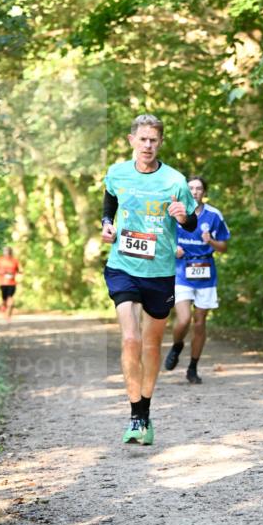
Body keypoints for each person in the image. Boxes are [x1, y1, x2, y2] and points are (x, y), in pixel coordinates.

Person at [101, 114, 198, 445]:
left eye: (153, 140)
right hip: (122, 266)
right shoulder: (117, 173)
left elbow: (190, 223)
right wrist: (106, 224)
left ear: (160, 143)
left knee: (151, 343)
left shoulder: (175, 181)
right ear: (131, 140)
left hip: (160, 272)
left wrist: (183, 217)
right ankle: (135, 416)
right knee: (131, 339)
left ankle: (146, 410)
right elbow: (110, 200)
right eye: (142, 139)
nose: (147, 145)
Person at [164, 176, 230, 383]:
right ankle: (177, 345)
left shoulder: (213, 215)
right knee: (183, 319)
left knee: (200, 323)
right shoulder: (174, 212)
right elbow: (162, 237)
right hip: (181, 271)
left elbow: (224, 246)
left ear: (204, 192)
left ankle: (192, 367)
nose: (194, 192)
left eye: (199, 188)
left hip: (205, 271)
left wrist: (210, 241)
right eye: (191, 188)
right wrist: (174, 249)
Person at [0, 246, 21, 320]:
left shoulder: (15, 260)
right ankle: (4, 309)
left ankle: (8, 315)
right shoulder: (0, 260)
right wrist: (2, 272)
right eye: (5, 251)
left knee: (10, 298)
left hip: (12, 283)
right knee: (4, 300)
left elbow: (19, 270)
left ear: (11, 252)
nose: (7, 253)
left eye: (8, 251)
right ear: (3, 252)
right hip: (3, 283)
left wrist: (14, 273)